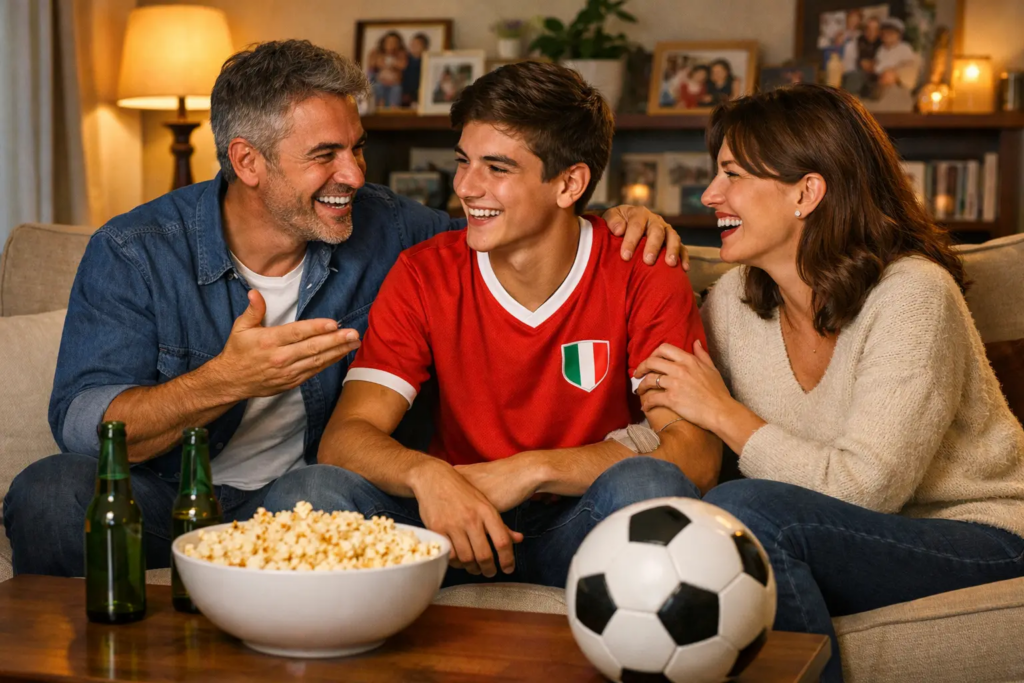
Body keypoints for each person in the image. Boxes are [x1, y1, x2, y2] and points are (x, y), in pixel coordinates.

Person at [1, 40, 685, 578]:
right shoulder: (135, 251)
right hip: (174, 497)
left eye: (356, 149)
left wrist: (613, 216)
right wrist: (226, 380)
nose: (356, 175)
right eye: (326, 156)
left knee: (319, 485)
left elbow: (511, 233)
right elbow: (88, 428)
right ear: (248, 161)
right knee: (51, 492)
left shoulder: (389, 228)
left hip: (311, 496)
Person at [262, 61, 721, 588]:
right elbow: (345, 439)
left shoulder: (640, 267)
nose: (466, 186)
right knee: (309, 492)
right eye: (463, 161)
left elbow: (696, 456)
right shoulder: (424, 271)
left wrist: (531, 470)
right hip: (448, 523)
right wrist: (428, 476)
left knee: (649, 481)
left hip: (579, 525)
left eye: (497, 169)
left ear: (569, 183)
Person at [633, 84, 1024, 682]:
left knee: (745, 513)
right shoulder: (737, 300)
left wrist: (725, 414)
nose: (711, 195)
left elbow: (867, 489)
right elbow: (669, 419)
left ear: (807, 192)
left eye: (733, 174)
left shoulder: (913, 294)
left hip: (973, 532)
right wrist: (536, 469)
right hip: (838, 539)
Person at [368, 31, 407, 109]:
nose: (391, 45)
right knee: (377, 88)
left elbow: (403, 65)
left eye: (394, 42)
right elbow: (373, 64)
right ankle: (380, 105)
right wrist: (382, 61)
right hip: (381, 82)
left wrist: (393, 63)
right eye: (389, 42)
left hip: (394, 83)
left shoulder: (401, 54)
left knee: (396, 90)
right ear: (384, 43)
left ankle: (393, 107)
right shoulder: (377, 53)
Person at [401, 33, 429, 107]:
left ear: (425, 47)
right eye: (412, 44)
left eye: (417, 44)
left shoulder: (428, 62)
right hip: (404, 95)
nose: (413, 46)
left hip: (421, 96)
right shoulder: (404, 60)